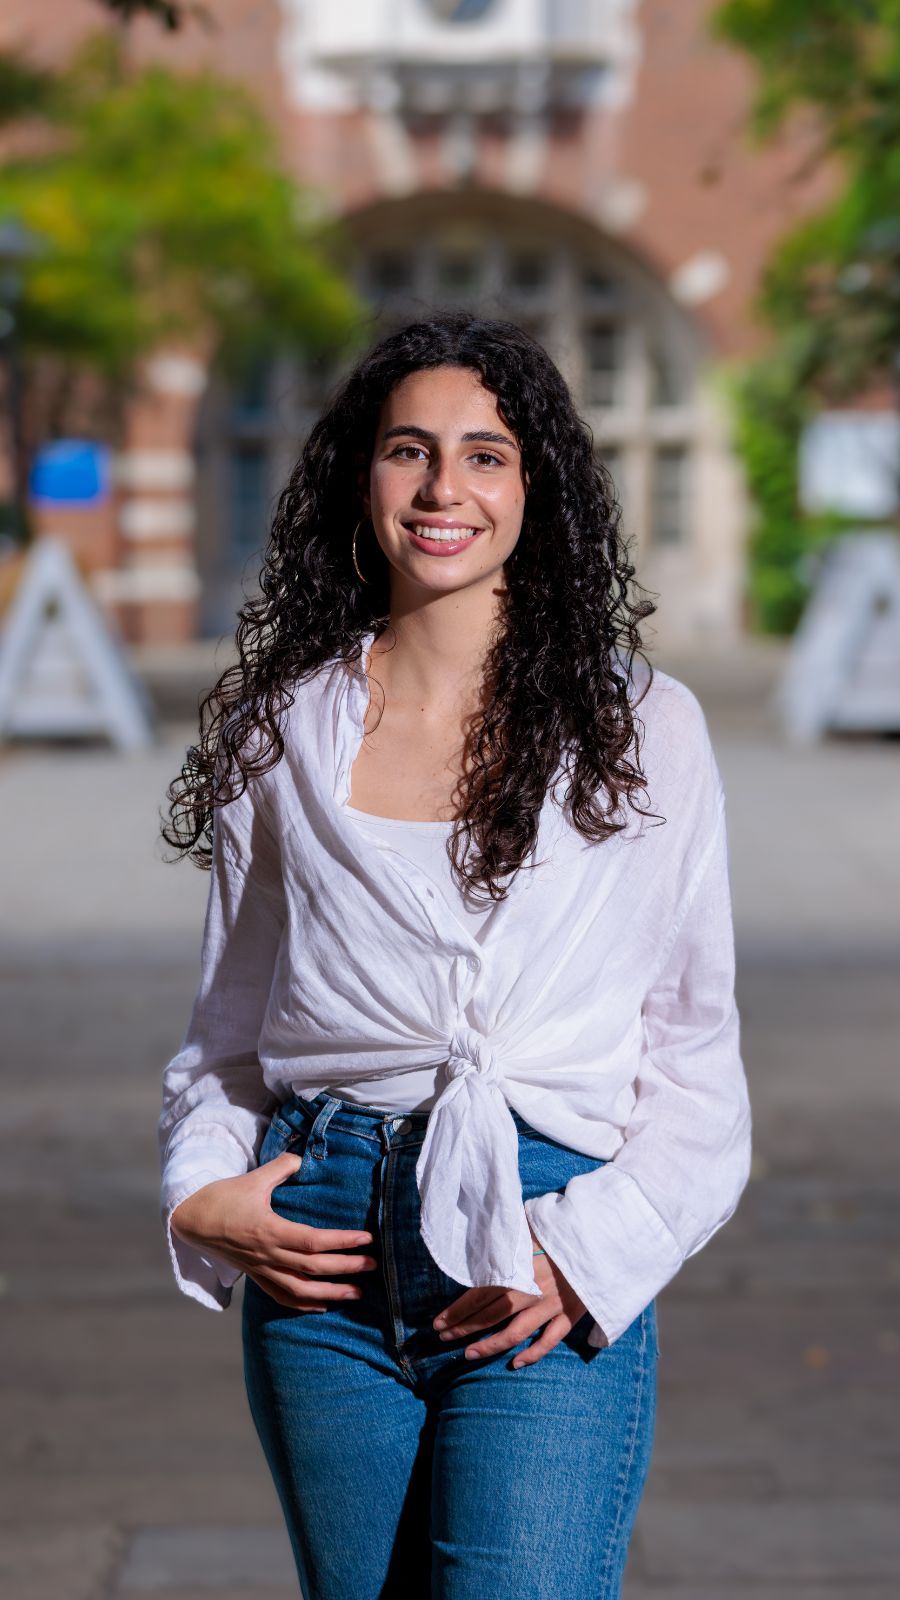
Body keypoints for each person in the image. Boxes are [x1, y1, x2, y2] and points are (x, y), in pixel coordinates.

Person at [158, 310, 752, 1600]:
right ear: (356, 478)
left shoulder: (644, 729)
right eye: (408, 451)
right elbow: (226, 1032)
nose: (443, 490)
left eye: (486, 456)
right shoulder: (283, 733)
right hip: (323, 1246)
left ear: (537, 489)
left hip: (543, 1239)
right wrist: (199, 1192)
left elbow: (695, 1050)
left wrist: (593, 1250)